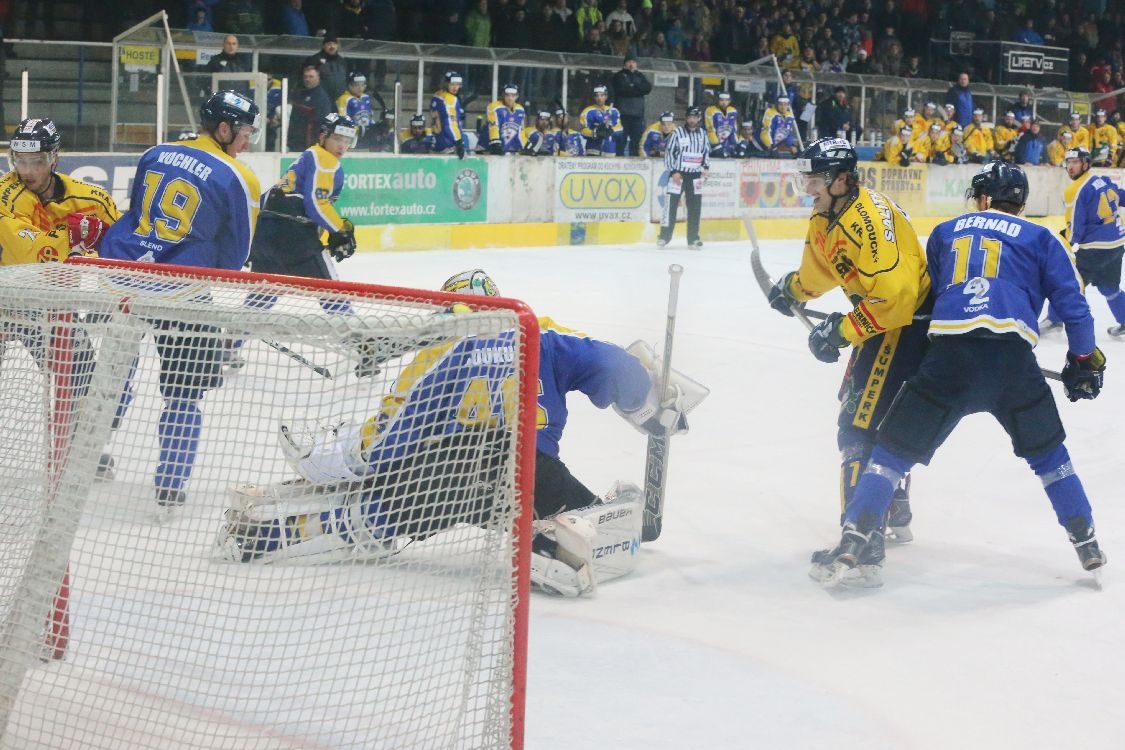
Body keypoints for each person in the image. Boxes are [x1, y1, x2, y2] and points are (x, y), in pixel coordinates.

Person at [216, 269, 701, 598]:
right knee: (592, 518)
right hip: (530, 472)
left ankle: (261, 537)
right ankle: (550, 546)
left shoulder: (441, 351)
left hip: (446, 474)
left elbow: (390, 436)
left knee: (370, 514)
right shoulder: (543, 335)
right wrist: (646, 403)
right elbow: (612, 363)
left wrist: (337, 460)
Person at [812, 162, 1107, 587]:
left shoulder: (946, 232)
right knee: (1051, 459)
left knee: (890, 455)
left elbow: (926, 297)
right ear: (1019, 203)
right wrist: (1083, 362)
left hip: (948, 358)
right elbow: (1075, 308)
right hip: (1012, 362)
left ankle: (856, 536)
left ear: (983, 196)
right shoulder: (1041, 237)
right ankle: (1086, 541)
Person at [767, 138, 932, 579]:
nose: (808, 187)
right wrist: (794, 289)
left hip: (903, 325)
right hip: (880, 322)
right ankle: (892, 507)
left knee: (857, 425)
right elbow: (823, 268)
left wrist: (841, 330)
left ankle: (862, 537)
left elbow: (895, 300)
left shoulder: (870, 221)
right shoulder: (828, 213)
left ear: (842, 179)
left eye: (816, 179)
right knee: (876, 418)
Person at [97, 90, 263, 510]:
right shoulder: (238, 178)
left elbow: (136, 214)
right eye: (244, 132)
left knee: (114, 375)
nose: (247, 141)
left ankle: (88, 454)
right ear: (223, 129)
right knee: (183, 394)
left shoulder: (156, 152)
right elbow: (234, 257)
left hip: (125, 279)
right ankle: (170, 488)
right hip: (184, 293)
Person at [0, 117, 121, 478]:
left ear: (54, 159)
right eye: (19, 161)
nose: (26, 171)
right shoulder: (6, 194)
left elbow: (122, 246)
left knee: (82, 374)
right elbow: (31, 257)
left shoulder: (90, 198)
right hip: (4, 298)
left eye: (35, 161)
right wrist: (75, 240)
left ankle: (81, 448)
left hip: (48, 308)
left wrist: (100, 243)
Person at [1041, 146, 1125, 338]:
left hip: (1095, 248)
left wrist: (1064, 245)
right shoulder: (1102, 181)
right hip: (1117, 244)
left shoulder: (1075, 190)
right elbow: (1121, 196)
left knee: (1066, 280)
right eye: (1069, 162)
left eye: (1076, 162)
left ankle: (1054, 320)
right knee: (1109, 286)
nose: (1071, 167)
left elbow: (1076, 228)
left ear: (1086, 164)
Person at [656, 105, 708, 249]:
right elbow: (669, 153)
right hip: (678, 175)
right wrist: (673, 172)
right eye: (690, 117)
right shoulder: (677, 133)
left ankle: (693, 239)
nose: (692, 120)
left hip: (695, 176)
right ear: (686, 118)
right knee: (670, 206)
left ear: (699, 119)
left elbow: (706, 153)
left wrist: (706, 168)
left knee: (695, 207)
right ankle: (664, 237)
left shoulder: (703, 134)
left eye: (695, 117)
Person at [611, 53, 652, 157]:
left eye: (633, 62)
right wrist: (637, 90)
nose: (631, 64)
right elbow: (623, 89)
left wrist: (633, 86)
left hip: (637, 116)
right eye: (629, 62)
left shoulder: (640, 75)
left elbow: (647, 88)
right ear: (624, 64)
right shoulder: (619, 76)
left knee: (637, 142)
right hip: (622, 115)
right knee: (620, 142)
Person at [287, 64, 334, 151]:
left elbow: (323, 124)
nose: (307, 79)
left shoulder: (322, 97)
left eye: (311, 77)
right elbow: (293, 120)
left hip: (311, 145)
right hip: (296, 144)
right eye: (305, 77)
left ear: (318, 78)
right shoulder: (299, 95)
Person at [337, 71, 382, 149]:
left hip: (367, 135)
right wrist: (357, 129)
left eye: (362, 85)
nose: (360, 88)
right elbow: (342, 120)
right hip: (351, 137)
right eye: (357, 85)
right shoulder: (344, 99)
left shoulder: (366, 98)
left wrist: (375, 127)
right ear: (350, 85)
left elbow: (370, 116)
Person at [430, 70, 468, 158]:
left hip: (436, 142)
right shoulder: (450, 99)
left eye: (458, 84)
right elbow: (451, 124)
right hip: (448, 145)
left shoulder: (437, 95)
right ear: (446, 83)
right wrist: (458, 142)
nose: (455, 88)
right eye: (452, 84)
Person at [579, 84, 623, 157]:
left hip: (610, 151)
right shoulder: (588, 111)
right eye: (597, 95)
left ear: (606, 96)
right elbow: (583, 131)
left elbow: (620, 129)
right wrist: (595, 132)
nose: (599, 98)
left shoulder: (614, 111)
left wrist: (611, 131)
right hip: (593, 150)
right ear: (594, 97)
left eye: (602, 95)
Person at [302, 35, 348, 102]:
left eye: (334, 44)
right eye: (329, 44)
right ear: (323, 46)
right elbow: (306, 79)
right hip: (320, 99)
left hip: (339, 100)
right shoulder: (314, 60)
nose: (332, 47)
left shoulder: (342, 61)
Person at [485, 82, 526, 155]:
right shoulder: (494, 107)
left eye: (513, 95)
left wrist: (526, 146)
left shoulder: (520, 110)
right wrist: (495, 142)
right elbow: (493, 126)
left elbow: (520, 132)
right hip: (488, 147)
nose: (510, 98)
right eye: (507, 95)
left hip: (506, 149)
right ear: (503, 95)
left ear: (517, 96)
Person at [704, 90, 737, 159]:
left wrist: (734, 143)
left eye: (726, 100)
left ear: (729, 101)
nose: (724, 103)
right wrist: (717, 145)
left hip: (726, 144)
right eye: (721, 100)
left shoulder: (733, 111)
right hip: (712, 145)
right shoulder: (710, 110)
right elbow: (710, 130)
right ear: (718, 100)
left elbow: (733, 129)